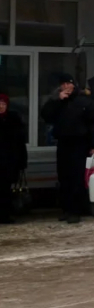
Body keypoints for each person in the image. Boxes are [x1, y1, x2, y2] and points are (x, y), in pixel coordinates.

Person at [41, 74, 94, 224]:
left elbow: (93, 125)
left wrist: (93, 145)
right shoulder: (57, 101)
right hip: (63, 142)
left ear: (74, 85)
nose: (66, 87)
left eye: (68, 84)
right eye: (63, 84)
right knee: (63, 176)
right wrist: (57, 100)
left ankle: (75, 211)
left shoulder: (84, 101)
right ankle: (66, 209)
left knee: (77, 178)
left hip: (80, 143)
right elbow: (46, 115)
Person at [0, 93, 27, 224]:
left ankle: (5, 215)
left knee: (6, 190)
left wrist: (22, 162)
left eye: (3, 104)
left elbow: (20, 143)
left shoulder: (13, 120)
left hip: (9, 162)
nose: (1, 107)